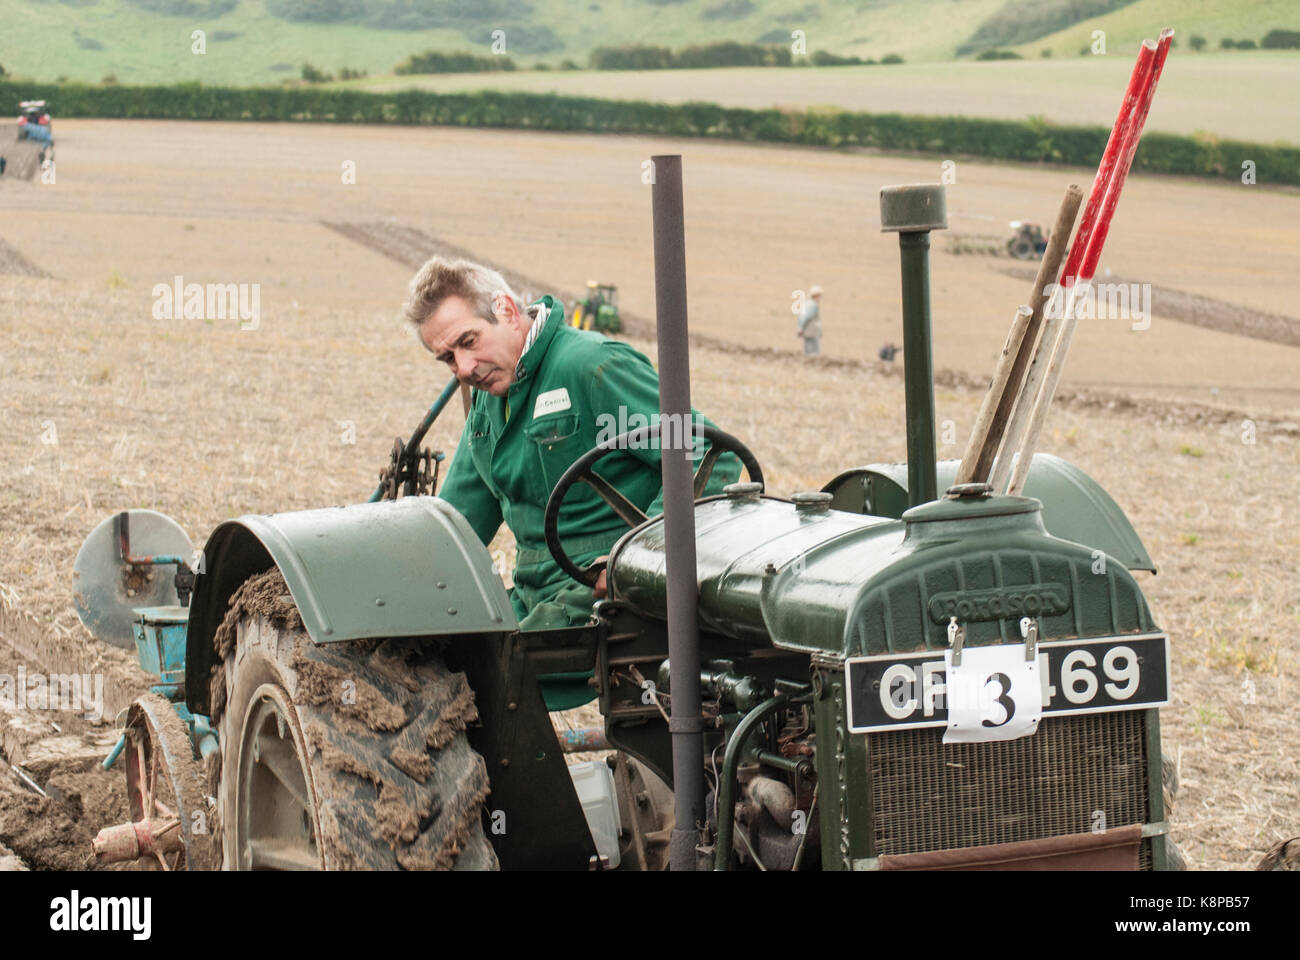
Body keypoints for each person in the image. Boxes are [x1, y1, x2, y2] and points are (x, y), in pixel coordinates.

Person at [404, 256, 741, 632]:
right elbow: (456, 525)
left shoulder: (591, 367)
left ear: (507, 311)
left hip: (605, 596)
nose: (464, 368)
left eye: (468, 342)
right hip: (533, 596)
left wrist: (634, 560)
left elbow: (708, 457)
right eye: (448, 358)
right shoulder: (487, 404)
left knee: (493, 677)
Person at [796, 285, 822, 356]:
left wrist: (800, 327)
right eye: (820, 295)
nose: (821, 297)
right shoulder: (813, 305)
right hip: (811, 332)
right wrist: (800, 327)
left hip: (808, 332)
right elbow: (805, 317)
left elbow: (801, 316)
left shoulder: (808, 304)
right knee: (812, 353)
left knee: (808, 352)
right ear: (816, 295)